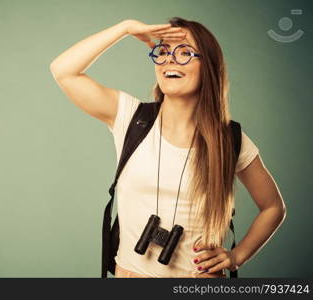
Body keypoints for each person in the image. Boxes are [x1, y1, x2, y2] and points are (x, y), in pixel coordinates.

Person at [49, 17, 286, 278]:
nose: (170, 60)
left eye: (185, 53)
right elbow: (63, 70)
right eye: (162, 52)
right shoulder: (131, 118)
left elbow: (273, 207)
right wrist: (124, 28)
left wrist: (236, 256)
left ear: (208, 67)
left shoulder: (229, 140)